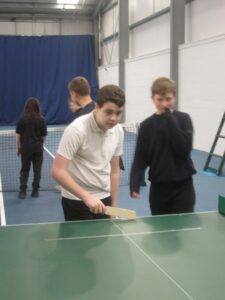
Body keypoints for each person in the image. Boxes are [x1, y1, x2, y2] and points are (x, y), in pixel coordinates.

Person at [51, 84, 125, 221]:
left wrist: (114, 205)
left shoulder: (118, 131)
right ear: (97, 107)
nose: (114, 118)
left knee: (104, 241)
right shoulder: (76, 130)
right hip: (76, 200)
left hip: (105, 198)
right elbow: (57, 170)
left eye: (118, 113)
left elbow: (114, 171)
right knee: (80, 243)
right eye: (108, 112)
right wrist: (86, 197)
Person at [130, 77, 196, 215]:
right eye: (160, 99)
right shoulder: (146, 126)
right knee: (160, 231)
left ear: (174, 98)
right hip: (158, 188)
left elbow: (183, 150)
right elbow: (140, 158)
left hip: (183, 187)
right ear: (153, 99)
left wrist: (170, 119)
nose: (164, 103)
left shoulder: (184, 119)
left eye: (168, 99)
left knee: (184, 230)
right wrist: (134, 182)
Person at [16, 97, 47, 199]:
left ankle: (23, 192)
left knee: (24, 170)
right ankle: (35, 191)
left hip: (26, 149)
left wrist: (18, 148)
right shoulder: (41, 119)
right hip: (37, 149)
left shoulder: (22, 119)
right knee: (37, 170)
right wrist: (41, 146)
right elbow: (43, 136)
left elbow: (18, 135)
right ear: (37, 107)